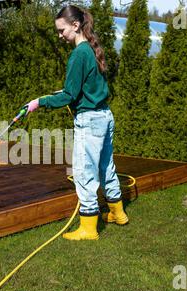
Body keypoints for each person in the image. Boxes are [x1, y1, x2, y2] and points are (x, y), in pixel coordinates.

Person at [26, 5, 129, 241]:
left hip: (90, 120)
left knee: (84, 172)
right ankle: (118, 213)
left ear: (75, 25)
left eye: (62, 31)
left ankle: (88, 228)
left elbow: (69, 96)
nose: (60, 36)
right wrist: (64, 92)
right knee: (106, 168)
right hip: (104, 116)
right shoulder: (92, 50)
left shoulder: (78, 54)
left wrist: (39, 102)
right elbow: (87, 87)